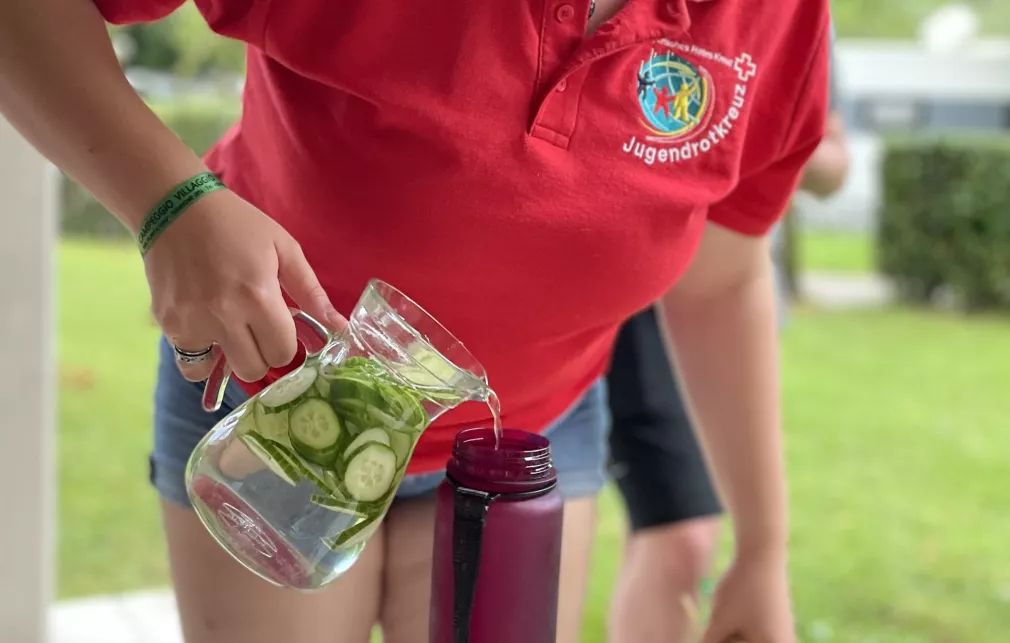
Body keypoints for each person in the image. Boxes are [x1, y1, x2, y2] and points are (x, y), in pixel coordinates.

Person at [0, 0, 831, 641]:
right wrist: (168, 205)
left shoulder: (780, 17)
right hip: (279, 398)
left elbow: (722, 283)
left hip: (529, 433)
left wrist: (762, 549)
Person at [606, 33, 851, 643]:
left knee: (694, 535)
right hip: (630, 297)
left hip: (721, 286)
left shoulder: (796, 24)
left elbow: (834, 162)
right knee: (680, 536)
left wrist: (771, 137)